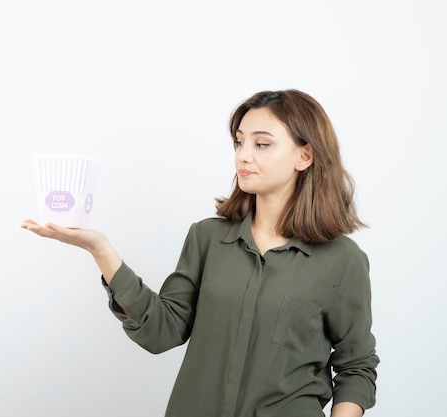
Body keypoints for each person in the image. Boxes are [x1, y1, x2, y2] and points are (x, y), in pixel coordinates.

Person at [21, 89, 379, 417]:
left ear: (305, 155)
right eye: (239, 142)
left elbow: (356, 366)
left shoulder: (342, 260)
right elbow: (161, 332)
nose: (243, 156)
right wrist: (100, 249)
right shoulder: (207, 238)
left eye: (262, 144)